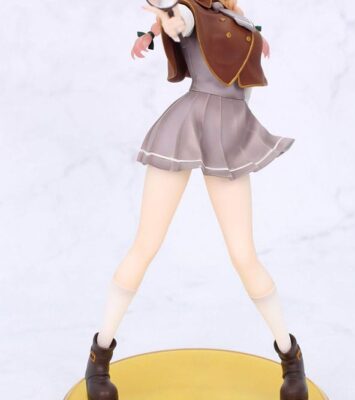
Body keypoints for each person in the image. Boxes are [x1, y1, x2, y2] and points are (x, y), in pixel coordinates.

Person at [84, 1, 308, 399]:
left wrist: (252, 35)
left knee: (244, 255)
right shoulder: (189, 10)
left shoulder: (238, 19)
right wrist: (161, 21)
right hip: (187, 127)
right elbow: (180, 21)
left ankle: (291, 357)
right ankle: (98, 356)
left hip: (230, 134)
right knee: (145, 244)